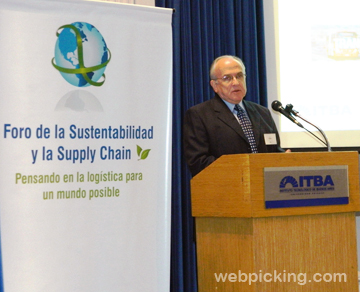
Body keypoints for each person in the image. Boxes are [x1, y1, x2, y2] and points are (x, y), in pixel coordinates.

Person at [183, 55, 286, 177]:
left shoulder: (263, 113)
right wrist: (245, 171)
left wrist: (284, 159)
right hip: (225, 190)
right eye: (227, 78)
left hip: (265, 189)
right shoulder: (199, 115)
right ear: (215, 85)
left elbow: (274, 151)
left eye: (239, 76)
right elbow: (198, 163)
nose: (236, 82)